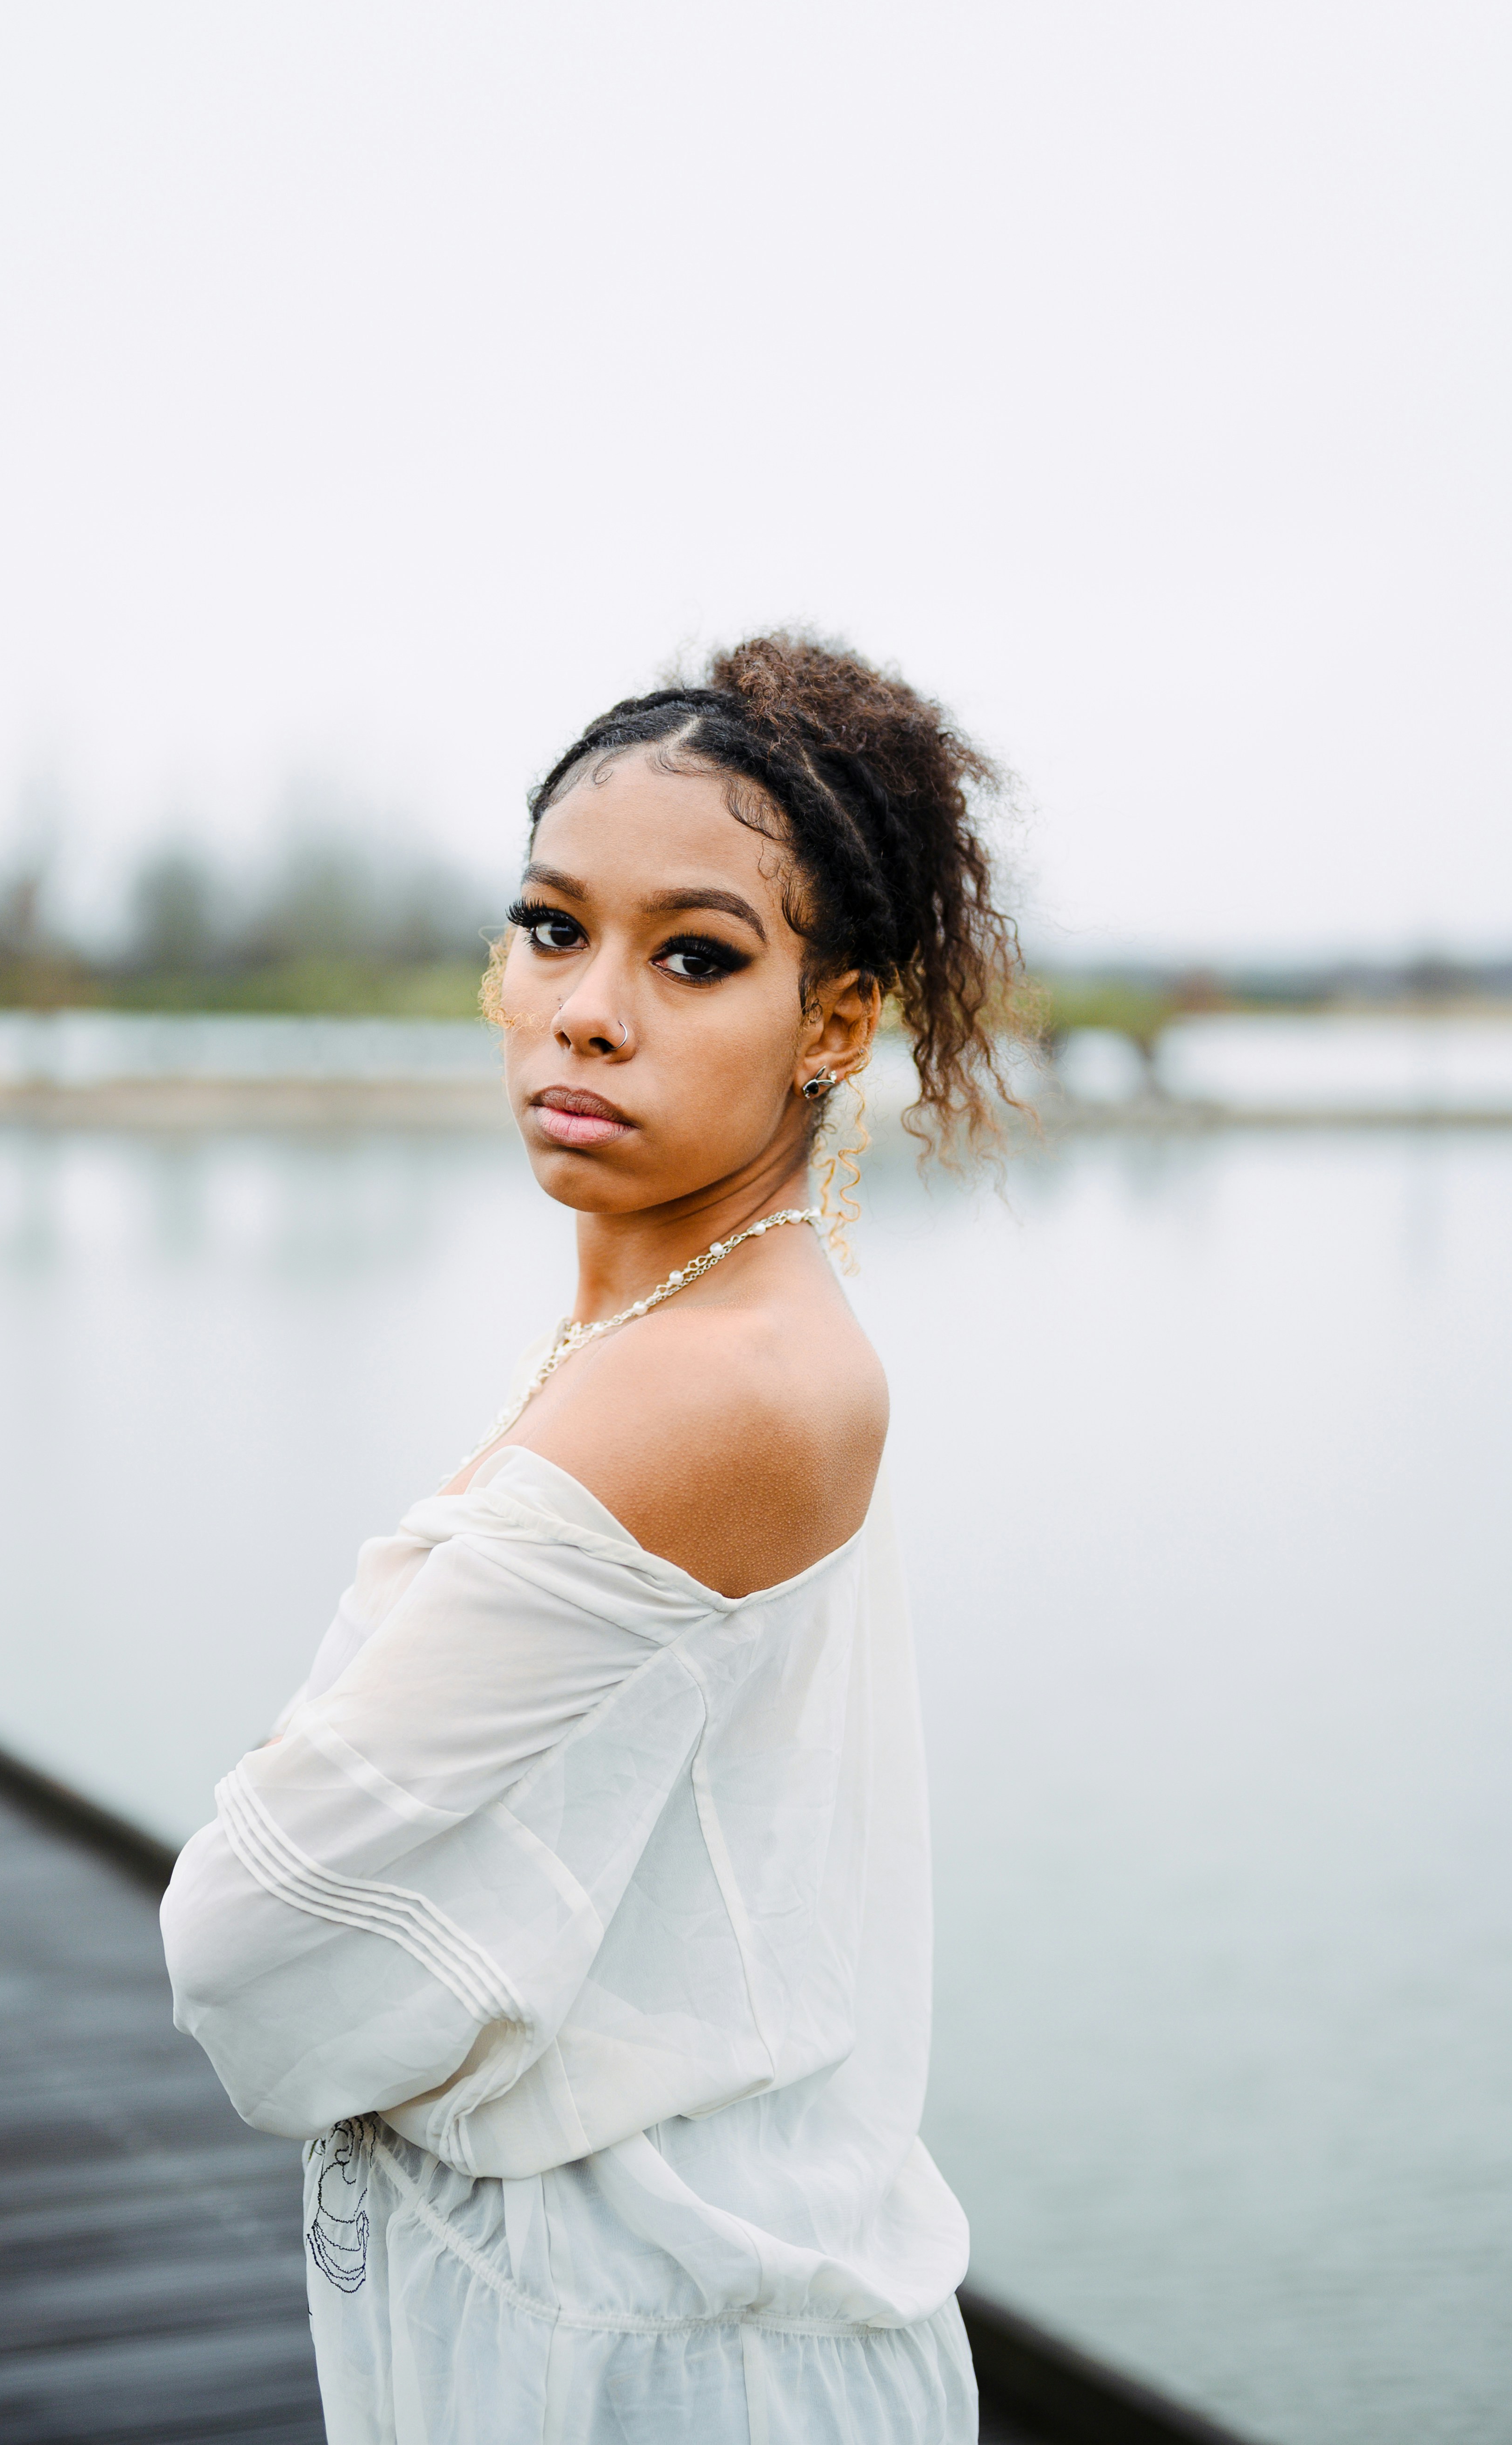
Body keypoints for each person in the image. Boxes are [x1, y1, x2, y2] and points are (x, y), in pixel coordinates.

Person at [161, 632, 1020, 2443]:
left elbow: (246, 1944)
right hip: (645, 2309)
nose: (586, 1005)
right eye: (552, 925)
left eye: (692, 954)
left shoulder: (718, 1386)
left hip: (655, 2361)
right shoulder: (700, 1332)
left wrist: (421, 1998)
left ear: (836, 1019)